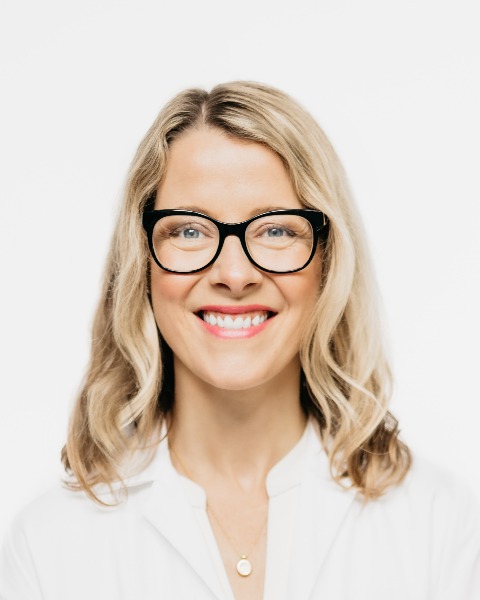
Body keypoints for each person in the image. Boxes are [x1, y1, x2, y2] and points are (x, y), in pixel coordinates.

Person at [1, 81, 479, 600]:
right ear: (141, 262)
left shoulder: (438, 527)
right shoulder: (48, 547)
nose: (233, 274)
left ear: (328, 261)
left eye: (276, 230)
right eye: (189, 230)